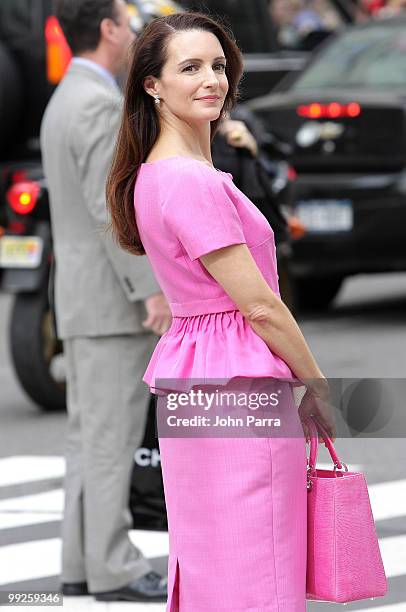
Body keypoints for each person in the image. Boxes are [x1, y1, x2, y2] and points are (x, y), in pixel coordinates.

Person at [107, 10, 337, 611]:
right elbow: (260, 305)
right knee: (258, 555)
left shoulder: (151, 177)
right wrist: (314, 382)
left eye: (217, 65)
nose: (211, 79)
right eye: (190, 68)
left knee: (210, 550)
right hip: (238, 379)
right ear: (152, 85)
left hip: (191, 373)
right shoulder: (195, 182)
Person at [40, 0, 172, 603]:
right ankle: (113, 567)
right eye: (129, 21)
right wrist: (149, 290)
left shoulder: (67, 97)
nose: (135, 32)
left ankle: (82, 562)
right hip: (108, 305)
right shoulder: (93, 103)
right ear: (108, 30)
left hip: (85, 300)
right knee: (109, 439)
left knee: (89, 437)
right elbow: (107, 212)